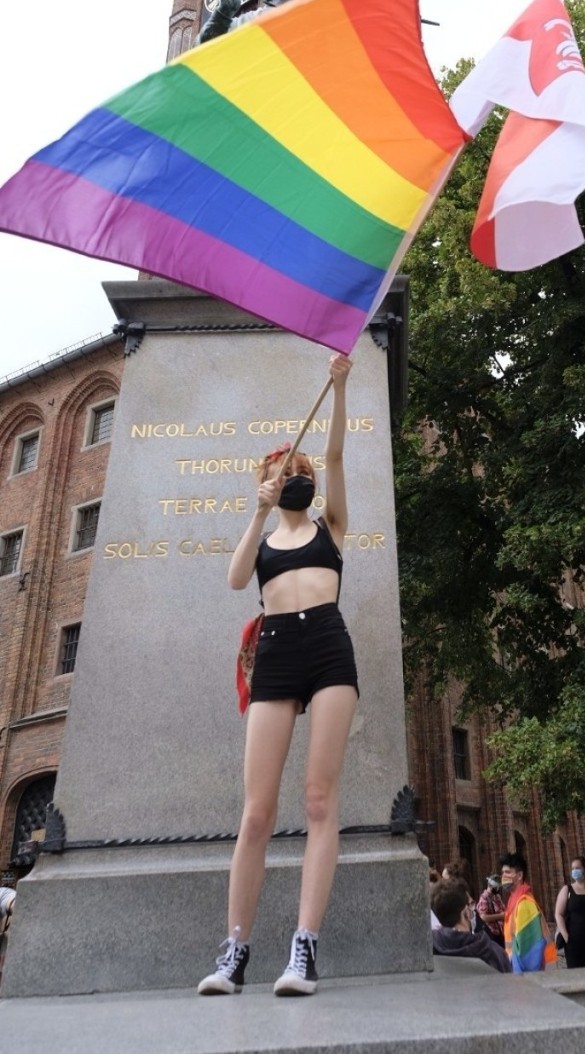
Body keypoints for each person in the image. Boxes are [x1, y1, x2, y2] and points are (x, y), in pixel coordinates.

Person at [198, 354, 358, 998]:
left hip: (327, 645)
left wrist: (340, 389)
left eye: (301, 472)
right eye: (285, 472)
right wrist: (257, 511)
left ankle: (303, 951)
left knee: (319, 801)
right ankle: (235, 951)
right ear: (267, 481)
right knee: (257, 812)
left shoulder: (332, 528)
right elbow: (237, 579)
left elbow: (338, 457)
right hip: (275, 651)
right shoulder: (262, 539)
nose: (297, 477)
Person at [431, 878, 511, 973]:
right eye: (471, 904)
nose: (474, 909)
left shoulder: (428, 949)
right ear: (465, 913)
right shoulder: (493, 953)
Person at [499, 852, 557, 972]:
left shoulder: (524, 903)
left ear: (519, 875)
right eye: (502, 873)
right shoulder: (514, 899)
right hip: (518, 967)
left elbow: (529, 951)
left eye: (508, 872)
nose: (503, 876)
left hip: (527, 973)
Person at [476, 875, 506, 947]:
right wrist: (500, 916)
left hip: (500, 932)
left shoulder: (497, 897)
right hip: (490, 933)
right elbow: (483, 917)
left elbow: (503, 908)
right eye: (496, 888)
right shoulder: (484, 898)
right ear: (490, 886)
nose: (497, 889)